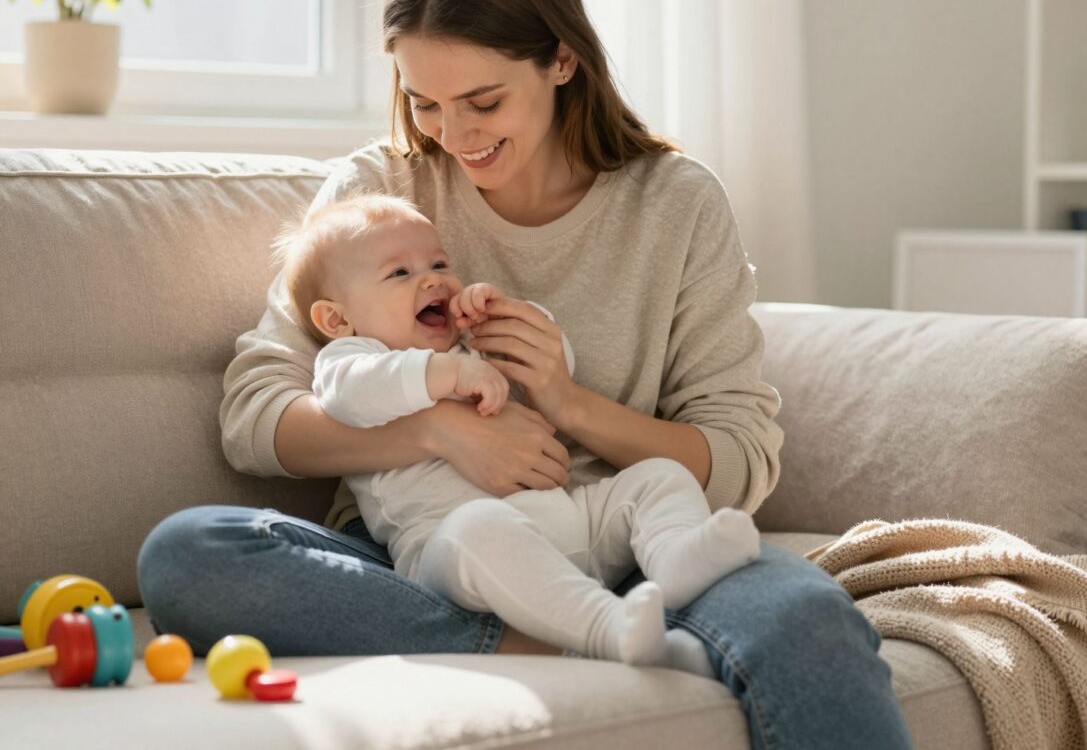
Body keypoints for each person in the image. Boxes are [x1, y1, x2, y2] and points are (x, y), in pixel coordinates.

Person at [137, 0, 913, 749]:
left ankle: (608, 619)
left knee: (810, 621)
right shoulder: (378, 193)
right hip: (430, 557)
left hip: (637, 543)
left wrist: (568, 403)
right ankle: (557, 635)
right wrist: (438, 431)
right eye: (424, 102)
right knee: (189, 553)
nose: (455, 135)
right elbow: (256, 417)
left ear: (562, 60)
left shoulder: (676, 204)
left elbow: (740, 460)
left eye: (483, 101)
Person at [273, 191, 761, 671]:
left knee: (659, 477)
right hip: (454, 553)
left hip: (573, 521)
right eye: (400, 273)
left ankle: (676, 559)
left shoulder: (468, 343)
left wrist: (517, 325)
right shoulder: (352, 359)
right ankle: (607, 627)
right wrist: (449, 377)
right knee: (480, 528)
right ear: (337, 318)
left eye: (439, 265)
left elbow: (554, 366)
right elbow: (349, 397)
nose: (431, 281)